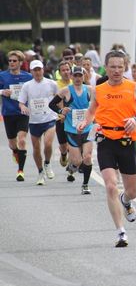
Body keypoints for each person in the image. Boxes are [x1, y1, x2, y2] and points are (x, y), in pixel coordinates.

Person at [77, 50, 136, 248]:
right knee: (110, 185)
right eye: (113, 67)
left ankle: (126, 201)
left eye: (120, 66)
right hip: (106, 140)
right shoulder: (98, 89)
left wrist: (135, 119)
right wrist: (85, 122)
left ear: (125, 67)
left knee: (132, 191)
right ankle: (121, 232)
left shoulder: (134, 88)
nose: (117, 70)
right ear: (106, 67)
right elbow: (92, 111)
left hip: (127, 141)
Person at [49, 66, 94, 194]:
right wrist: (61, 111)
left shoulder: (90, 90)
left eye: (80, 76)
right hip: (72, 130)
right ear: (71, 77)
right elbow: (51, 104)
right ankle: (72, 166)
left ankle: (85, 185)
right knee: (77, 161)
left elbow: (99, 104)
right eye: (75, 76)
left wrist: (94, 115)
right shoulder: (65, 91)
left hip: (87, 128)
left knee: (88, 157)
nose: (78, 78)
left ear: (84, 77)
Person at [18, 60, 59, 185]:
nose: (37, 72)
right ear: (31, 71)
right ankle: (40, 172)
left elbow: (59, 98)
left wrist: (61, 111)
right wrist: (23, 107)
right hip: (34, 120)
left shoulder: (52, 83)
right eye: (34, 70)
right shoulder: (27, 86)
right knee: (36, 149)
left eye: (39, 69)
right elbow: (21, 102)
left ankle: (47, 163)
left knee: (47, 144)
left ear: (43, 69)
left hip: (49, 118)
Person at [0, 50, 33, 181]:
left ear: (20, 62)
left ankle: (20, 170)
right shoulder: (2, 76)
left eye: (14, 61)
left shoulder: (28, 77)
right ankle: (15, 152)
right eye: (10, 61)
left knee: (22, 140)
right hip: (9, 113)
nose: (11, 63)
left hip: (23, 113)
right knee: (13, 144)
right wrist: (2, 91)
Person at [55, 60, 73, 167]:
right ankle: (63, 154)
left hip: (73, 118)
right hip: (60, 117)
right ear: (60, 72)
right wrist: (62, 113)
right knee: (63, 145)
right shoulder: (56, 84)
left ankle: (71, 168)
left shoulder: (74, 82)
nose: (66, 72)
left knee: (73, 144)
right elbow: (56, 101)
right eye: (63, 70)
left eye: (67, 69)